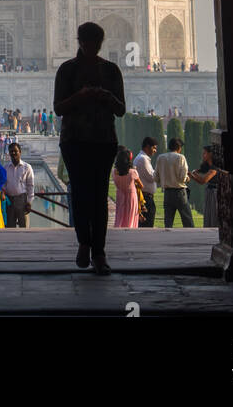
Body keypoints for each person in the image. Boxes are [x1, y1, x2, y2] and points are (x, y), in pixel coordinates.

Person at [53, 21, 126, 275]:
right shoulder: (67, 70)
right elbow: (58, 108)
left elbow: (121, 109)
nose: (90, 47)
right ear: (80, 42)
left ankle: (99, 251)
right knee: (81, 195)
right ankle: (84, 243)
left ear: (100, 43)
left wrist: (104, 96)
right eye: (86, 42)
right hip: (74, 140)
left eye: (94, 43)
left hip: (103, 140)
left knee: (98, 197)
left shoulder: (110, 71)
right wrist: (80, 97)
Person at [155, 137, 195, 228]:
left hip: (167, 193)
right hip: (179, 192)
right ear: (179, 147)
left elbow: (156, 177)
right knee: (188, 221)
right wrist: (189, 178)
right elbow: (182, 178)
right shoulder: (181, 157)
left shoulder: (161, 157)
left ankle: (167, 240)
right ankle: (191, 239)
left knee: (168, 222)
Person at [4, 142, 35, 227]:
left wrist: (29, 202)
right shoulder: (6, 167)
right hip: (9, 200)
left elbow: (30, 185)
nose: (13, 153)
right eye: (11, 151)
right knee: (10, 226)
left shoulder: (27, 167)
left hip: (22, 199)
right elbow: (3, 184)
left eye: (15, 151)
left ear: (20, 152)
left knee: (23, 226)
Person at [112, 146, 142, 229]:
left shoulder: (114, 172)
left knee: (120, 215)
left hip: (120, 195)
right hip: (131, 196)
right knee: (130, 215)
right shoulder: (132, 172)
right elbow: (141, 185)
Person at [190, 145, 220, 227]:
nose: (203, 155)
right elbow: (201, 179)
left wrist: (192, 175)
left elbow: (203, 180)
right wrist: (194, 175)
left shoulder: (214, 168)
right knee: (208, 214)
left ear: (210, 154)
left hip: (215, 194)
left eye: (204, 153)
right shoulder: (207, 167)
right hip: (209, 192)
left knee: (214, 214)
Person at [133, 137, 158, 227]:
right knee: (147, 225)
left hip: (145, 196)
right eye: (154, 148)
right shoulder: (143, 159)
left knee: (144, 225)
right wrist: (159, 171)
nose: (155, 150)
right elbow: (151, 177)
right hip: (146, 198)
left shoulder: (142, 158)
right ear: (147, 146)